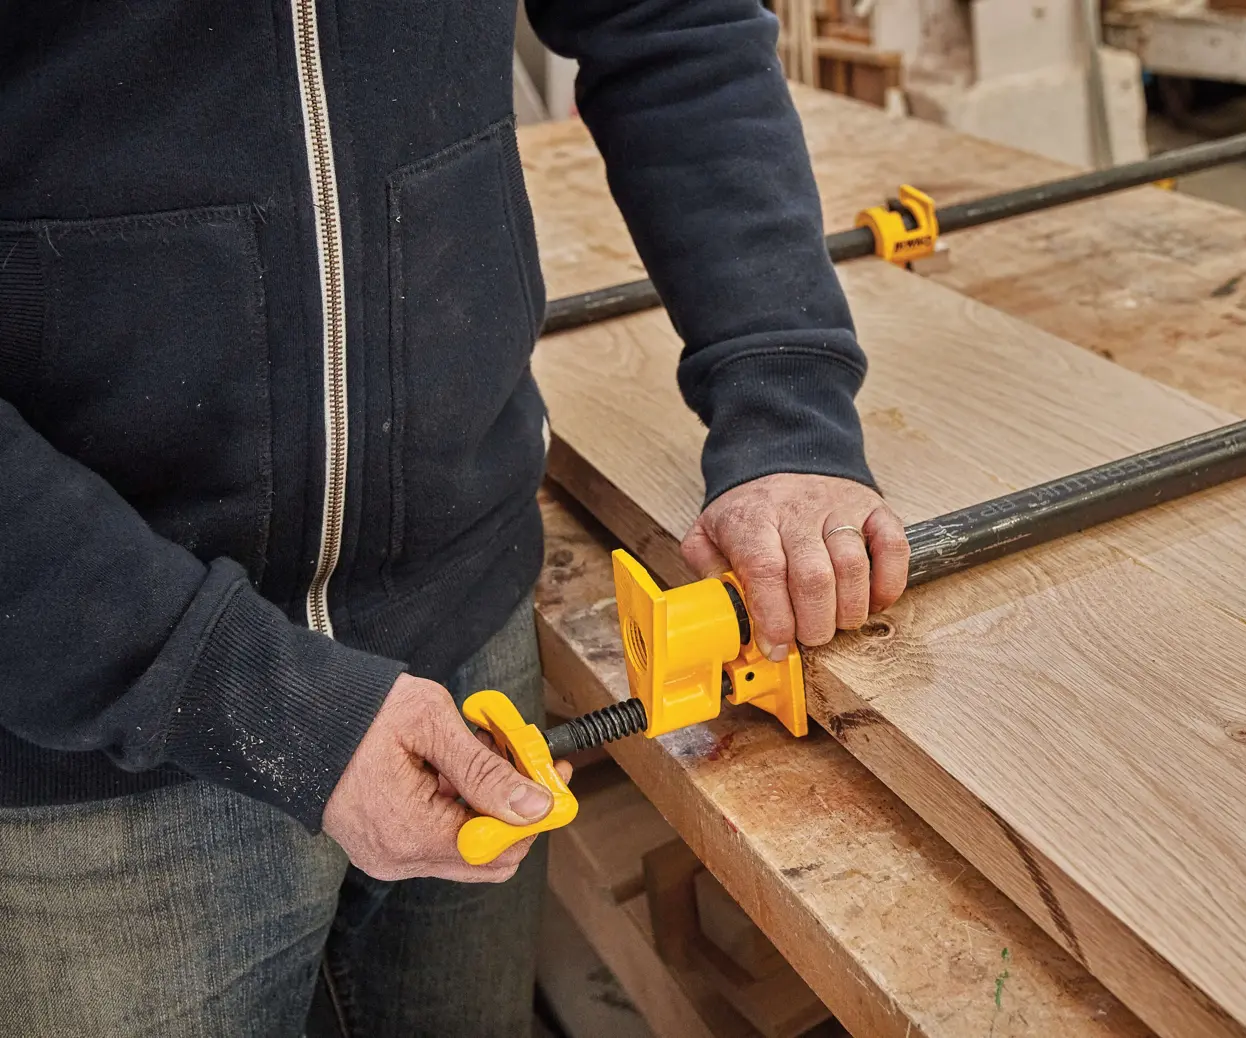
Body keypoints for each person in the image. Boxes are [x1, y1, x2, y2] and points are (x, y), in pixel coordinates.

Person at [0, 0, 910, 1033]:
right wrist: (243, 694)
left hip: (465, 639)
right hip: (100, 728)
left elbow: (673, 23)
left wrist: (784, 396)